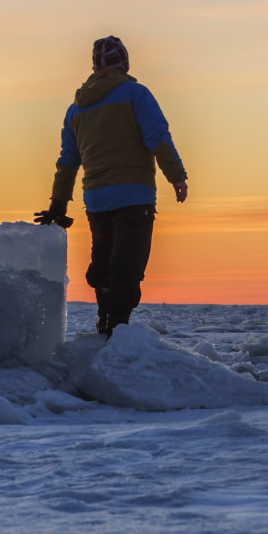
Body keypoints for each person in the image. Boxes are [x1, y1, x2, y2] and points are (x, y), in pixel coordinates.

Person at [35, 35, 188, 336]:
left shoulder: (75, 110)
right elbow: (158, 136)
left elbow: (67, 161)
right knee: (128, 264)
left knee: (105, 261)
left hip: (97, 199)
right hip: (134, 194)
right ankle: (117, 329)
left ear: (94, 67)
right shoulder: (135, 94)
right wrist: (177, 176)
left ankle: (104, 320)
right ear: (125, 63)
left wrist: (58, 204)